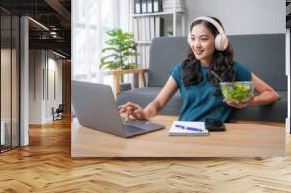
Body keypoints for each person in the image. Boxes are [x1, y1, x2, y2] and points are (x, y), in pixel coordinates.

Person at [119, 16, 279, 122]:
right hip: (184, 130)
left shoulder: (234, 68)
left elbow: (272, 94)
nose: (196, 45)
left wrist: (251, 101)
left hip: (215, 133)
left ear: (219, 41)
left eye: (203, 39)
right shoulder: (181, 69)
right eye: (193, 38)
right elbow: (159, 103)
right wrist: (141, 113)